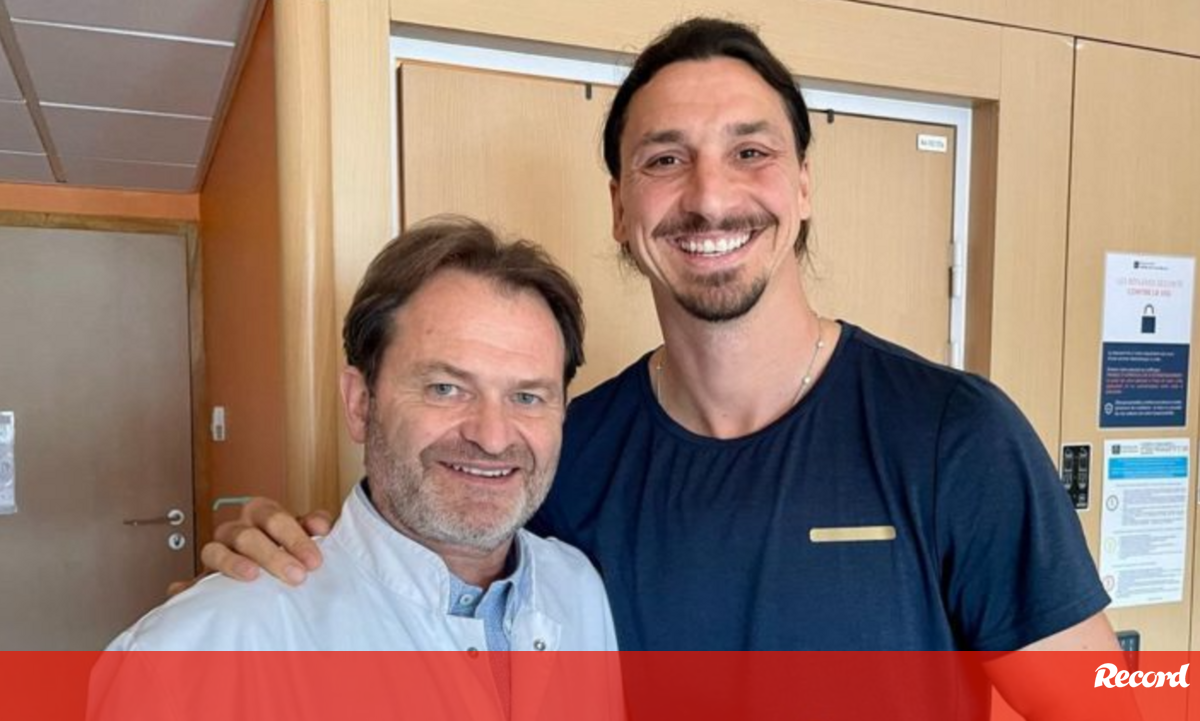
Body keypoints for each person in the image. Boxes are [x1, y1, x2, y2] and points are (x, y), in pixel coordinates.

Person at [198, 17, 1121, 717]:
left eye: (750, 152)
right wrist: (272, 578)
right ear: (619, 206)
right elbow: (403, 592)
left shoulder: (952, 434)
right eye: (666, 159)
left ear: (802, 185)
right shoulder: (556, 453)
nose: (710, 196)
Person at [99, 217, 620, 718]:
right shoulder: (198, 655)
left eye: (527, 397)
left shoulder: (577, 589)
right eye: (445, 388)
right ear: (359, 403)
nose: (492, 436)